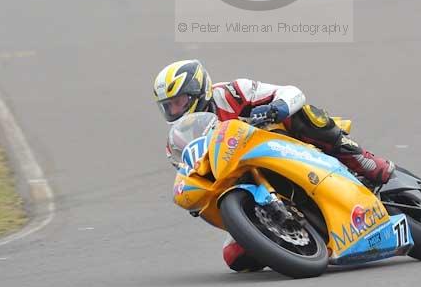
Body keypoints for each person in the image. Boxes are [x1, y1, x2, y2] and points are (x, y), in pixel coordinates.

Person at [154, 59, 395, 272]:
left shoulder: (233, 92)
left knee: (305, 114)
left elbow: (292, 93)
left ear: (199, 91)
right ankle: (294, 237)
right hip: (241, 180)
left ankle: (363, 161)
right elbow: (192, 172)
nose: (175, 110)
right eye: (169, 106)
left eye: (179, 102)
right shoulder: (178, 139)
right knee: (235, 259)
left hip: (280, 143)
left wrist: (276, 107)